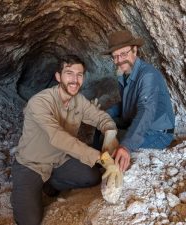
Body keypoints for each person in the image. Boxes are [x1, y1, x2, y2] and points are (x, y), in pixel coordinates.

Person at [11, 54, 121, 225]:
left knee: (92, 177)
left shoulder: (78, 100)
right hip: (31, 164)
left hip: (59, 160)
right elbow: (58, 138)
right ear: (58, 76)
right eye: (69, 73)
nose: (74, 80)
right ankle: (26, 190)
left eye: (79, 75)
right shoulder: (39, 102)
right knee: (29, 221)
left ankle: (51, 184)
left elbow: (100, 117)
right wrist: (101, 158)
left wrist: (110, 133)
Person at [101, 30, 175, 172]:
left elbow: (145, 111)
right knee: (103, 124)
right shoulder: (125, 76)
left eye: (123, 54)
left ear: (135, 50)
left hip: (157, 133)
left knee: (115, 142)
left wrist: (126, 146)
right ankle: (100, 160)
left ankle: (105, 167)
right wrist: (106, 114)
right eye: (115, 56)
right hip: (138, 123)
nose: (119, 60)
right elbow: (126, 104)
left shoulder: (147, 75)